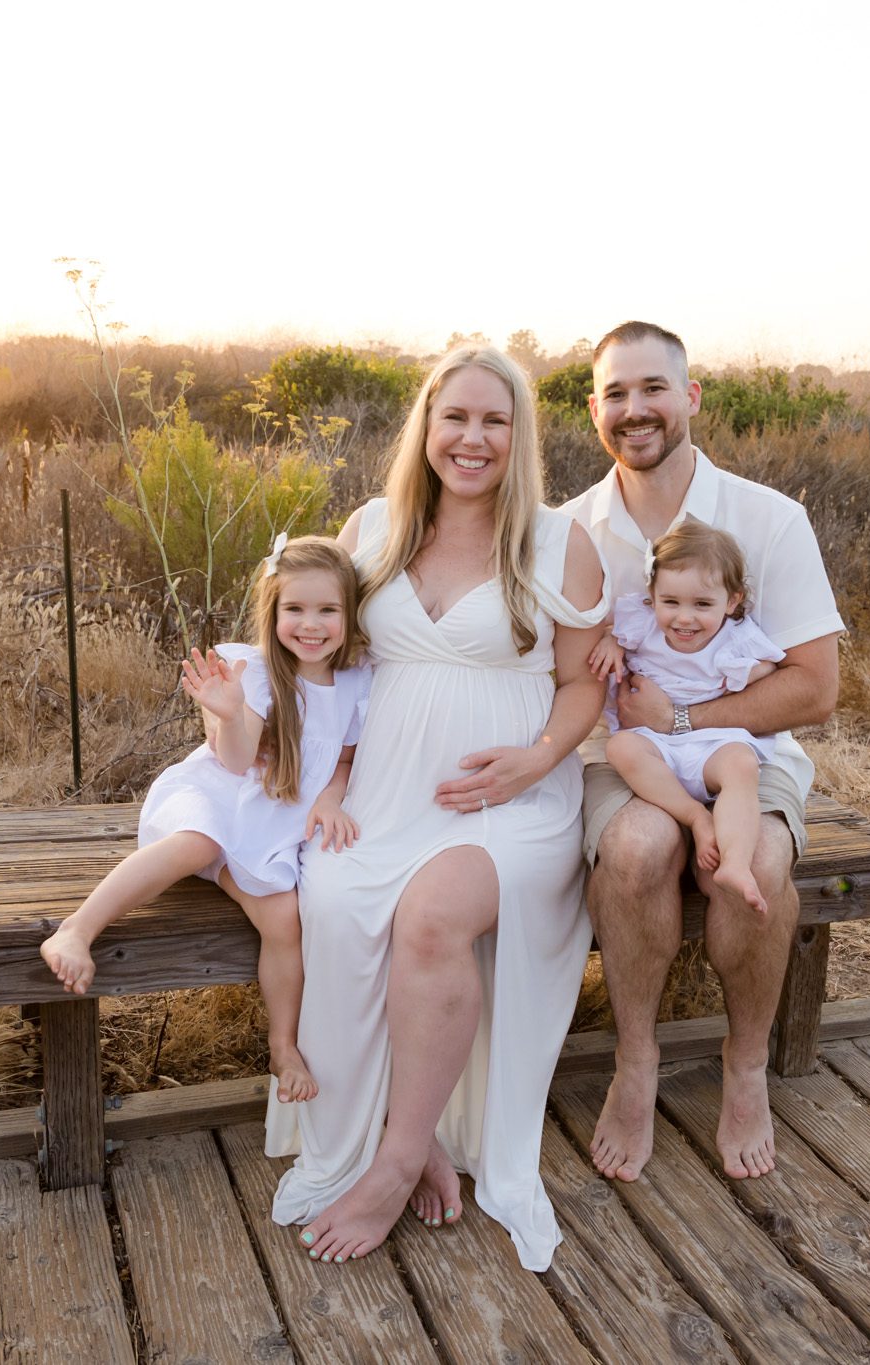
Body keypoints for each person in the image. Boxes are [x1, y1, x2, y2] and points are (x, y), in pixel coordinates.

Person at [267, 345, 608, 1271]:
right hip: (381, 789)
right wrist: (332, 781)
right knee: (333, 899)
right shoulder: (373, 527)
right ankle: (387, 1127)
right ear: (425, 426)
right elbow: (333, 667)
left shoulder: (555, 540)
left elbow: (583, 685)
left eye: (494, 420)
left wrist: (535, 760)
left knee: (429, 918)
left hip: (512, 799)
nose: (472, 437)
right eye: (454, 416)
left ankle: (399, 1158)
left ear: (519, 436)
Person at [563, 321, 844, 1184]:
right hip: (627, 753)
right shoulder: (569, 529)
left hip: (743, 750)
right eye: (616, 392)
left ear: (690, 398)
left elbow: (815, 686)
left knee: (754, 858)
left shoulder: (769, 518)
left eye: (654, 388)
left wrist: (686, 713)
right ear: (594, 409)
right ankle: (637, 1060)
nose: (634, 408)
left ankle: (746, 1062)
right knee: (640, 846)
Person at [39, 535, 370, 1105]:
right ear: (273, 612)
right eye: (294, 609)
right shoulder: (256, 672)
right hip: (221, 796)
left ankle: (282, 1044)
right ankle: (77, 928)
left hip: (275, 825)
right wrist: (229, 711)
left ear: (349, 615)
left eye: (327, 610)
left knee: (284, 919)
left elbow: (344, 759)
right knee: (197, 843)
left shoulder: (357, 683)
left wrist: (332, 798)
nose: (310, 625)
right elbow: (236, 761)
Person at [592, 520, 786, 916]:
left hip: (710, 741)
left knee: (741, 766)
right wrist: (610, 643)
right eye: (671, 602)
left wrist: (744, 674)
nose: (684, 619)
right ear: (652, 596)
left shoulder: (737, 638)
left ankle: (734, 862)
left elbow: (768, 669)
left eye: (702, 605)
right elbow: (614, 633)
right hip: (655, 743)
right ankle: (696, 816)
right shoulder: (639, 622)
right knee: (622, 747)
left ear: (731, 602)